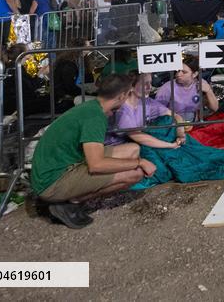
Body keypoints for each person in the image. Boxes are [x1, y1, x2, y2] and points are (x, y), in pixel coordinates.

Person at [30, 74, 156, 229]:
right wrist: (140, 162)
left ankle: (69, 198)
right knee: (135, 173)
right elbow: (96, 165)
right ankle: (69, 202)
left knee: (132, 149)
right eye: (128, 94)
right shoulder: (94, 118)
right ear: (122, 96)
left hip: (57, 167)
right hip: (51, 182)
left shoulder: (93, 107)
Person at [106, 74, 187, 149]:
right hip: (115, 145)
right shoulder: (122, 109)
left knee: (168, 120)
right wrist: (170, 145)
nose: (149, 87)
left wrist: (180, 134)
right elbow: (138, 137)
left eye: (150, 83)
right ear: (131, 87)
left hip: (135, 143)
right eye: (144, 84)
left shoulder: (147, 102)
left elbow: (176, 116)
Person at [153, 56, 219, 122]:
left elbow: (215, 108)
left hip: (194, 123)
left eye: (184, 72)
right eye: (178, 70)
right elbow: (156, 111)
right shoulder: (168, 88)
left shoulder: (201, 83)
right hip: (172, 123)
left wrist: (208, 91)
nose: (178, 74)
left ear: (194, 74)